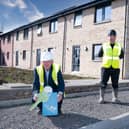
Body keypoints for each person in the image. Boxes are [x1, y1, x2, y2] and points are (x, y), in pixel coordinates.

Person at [98, 29, 124, 104]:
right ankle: (101, 98)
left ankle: (115, 98)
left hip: (115, 68)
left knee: (115, 84)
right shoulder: (104, 46)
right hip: (105, 68)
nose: (111, 37)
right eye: (110, 36)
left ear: (115, 37)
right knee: (103, 83)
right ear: (108, 37)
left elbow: (121, 56)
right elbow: (99, 55)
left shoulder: (119, 46)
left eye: (113, 36)